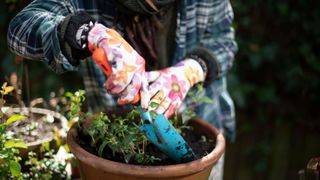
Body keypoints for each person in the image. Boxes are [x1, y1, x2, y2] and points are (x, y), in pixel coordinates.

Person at [7, 0, 237, 179]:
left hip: (203, 119)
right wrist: (90, 34)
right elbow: (22, 27)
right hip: (113, 134)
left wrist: (189, 71)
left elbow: (223, 41)